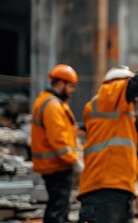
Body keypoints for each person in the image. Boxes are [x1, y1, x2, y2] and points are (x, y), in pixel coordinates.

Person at [77, 41, 138, 223]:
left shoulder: (119, 119)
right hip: (102, 191)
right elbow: (133, 87)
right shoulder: (103, 99)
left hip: (120, 192)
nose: (133, 99)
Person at [31, 64, 83, 223]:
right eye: (71, 86)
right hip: (57, 166)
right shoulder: (53, 106)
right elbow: (59, 141)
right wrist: (74, 161)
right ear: (61, 84)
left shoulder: (51, 102)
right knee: (57, 211)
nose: (72, 90)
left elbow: (65, 132)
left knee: (57, 207)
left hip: (54, 166)